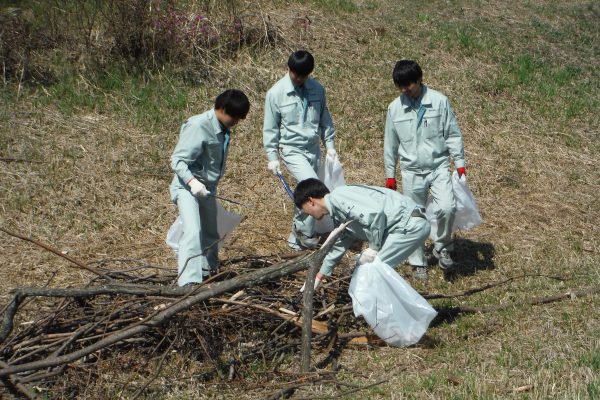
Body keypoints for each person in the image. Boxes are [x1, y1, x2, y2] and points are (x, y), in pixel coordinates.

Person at [383, 60, 466, 280]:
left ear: (419, 79)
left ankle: (443, 246)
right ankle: (418, 261)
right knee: (415, 217)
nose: (404, 90)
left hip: (438, 166)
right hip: (411, 171)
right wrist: (390, 175)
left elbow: (452, 133)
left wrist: (459, 162)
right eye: (400, 86)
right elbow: (390, 144)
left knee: (447, 208)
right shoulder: (395, 108)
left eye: (407, 85)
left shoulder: (439, 102)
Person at [169, 89, 250, 287]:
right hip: (187, 186)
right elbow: (177, 160)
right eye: (233, 116)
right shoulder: (198, 126)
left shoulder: (223, 128)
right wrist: (192, 183)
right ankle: (189, 282)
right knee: (193, 230)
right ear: (220, 108)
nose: (236, 122)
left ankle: (208, 272)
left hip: (207, 188)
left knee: (210, 232)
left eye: (239, 118)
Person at [293, 178, 430, 289]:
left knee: (373, 271)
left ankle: (389, 315)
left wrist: (373, 248)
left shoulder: (338, 196)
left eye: (303, 208)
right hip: (405, 227)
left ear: (311, 201)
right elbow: (340, 244)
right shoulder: (338, 214)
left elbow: (376, 214)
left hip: (409, 225)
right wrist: (320, 276)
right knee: (373, 272)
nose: (306, 213)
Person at [263, 50, 338, 250]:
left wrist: (329, 145)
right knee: (311, 186)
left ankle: (295, 240)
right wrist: (272, 156)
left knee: (306, 190)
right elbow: (270, 128)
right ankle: (305, 231)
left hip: (312, 149)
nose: (299, 79)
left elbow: (325, 119)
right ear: (289, 69)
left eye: (304, 76)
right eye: (296, 75)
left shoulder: (317, 90)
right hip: (291, 149)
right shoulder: (276, 93)